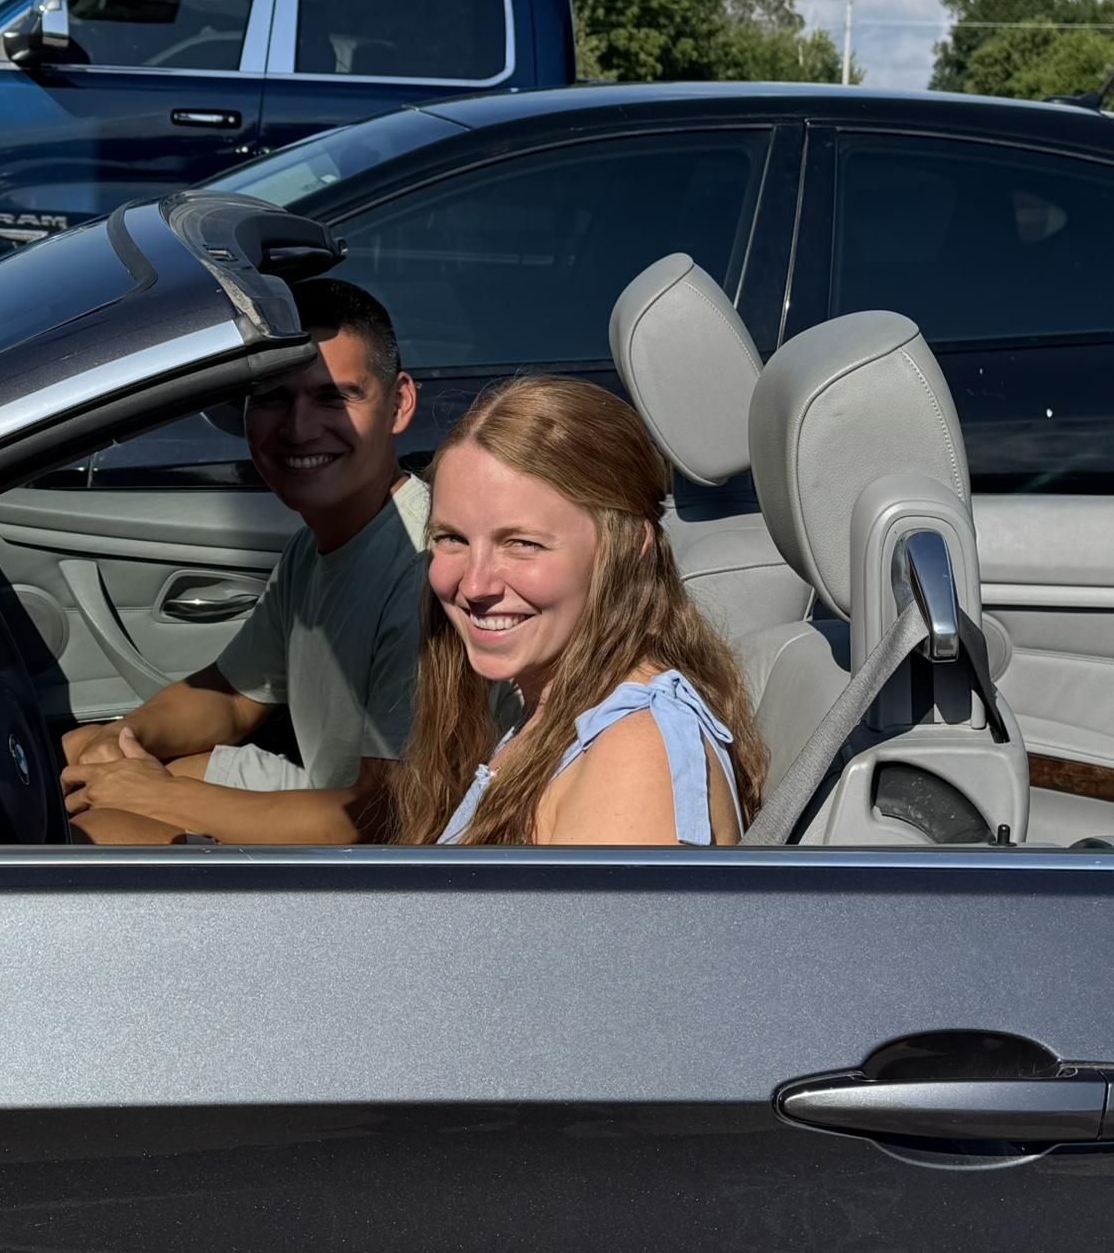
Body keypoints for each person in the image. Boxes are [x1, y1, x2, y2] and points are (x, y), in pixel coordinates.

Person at [63, 277, 426, 844]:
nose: (299, 429)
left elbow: (383, 818)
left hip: (405, 865)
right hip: (335, 797)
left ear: (399, 403)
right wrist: (124, 738)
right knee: (86, 761)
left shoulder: (424, 569)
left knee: (100, 831)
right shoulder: (318, 544)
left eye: (335, 396)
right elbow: (232, 695)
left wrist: (150, 793)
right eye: (275, 398)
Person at [389, 374, 765, 846]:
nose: (474, 584)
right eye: (452, 539)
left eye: (522, 544)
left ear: (629, 551)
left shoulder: (634, 754)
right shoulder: (554, 711)